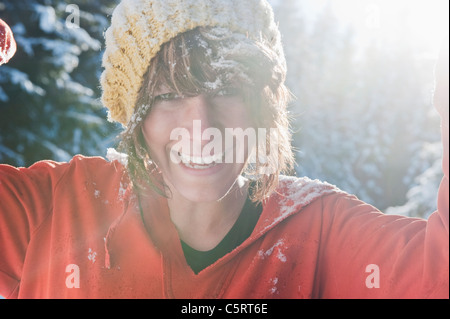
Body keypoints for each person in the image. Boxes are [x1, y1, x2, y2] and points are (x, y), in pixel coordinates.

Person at [0, 0, 448, 299]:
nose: (201, 126)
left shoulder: (322, 233)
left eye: (228, 90)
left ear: (263, 104)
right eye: (169, 95)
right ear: (134, 113)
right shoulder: (56, 209)